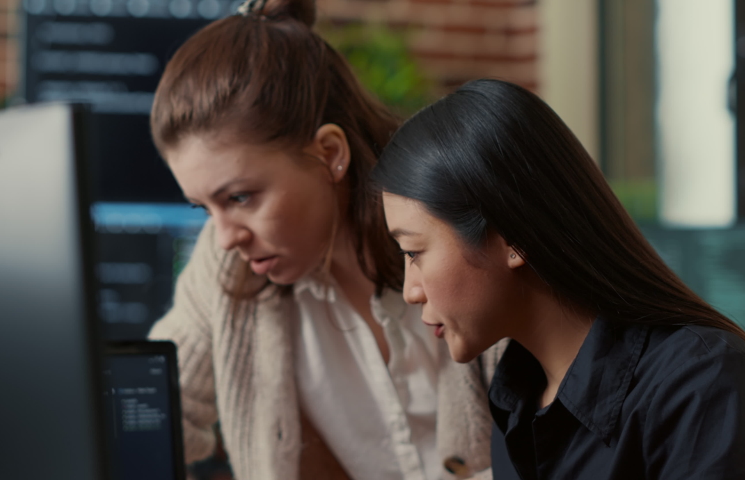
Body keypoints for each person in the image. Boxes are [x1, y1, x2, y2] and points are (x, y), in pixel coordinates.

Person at [146, 1, 506, 479]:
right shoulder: (227, 263)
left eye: (239, 196)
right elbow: (153, 413)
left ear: (330, 153)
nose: (226, 236)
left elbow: (563, 447)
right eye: (204, 208)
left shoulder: (463, 233)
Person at [373, 78, 745, 479]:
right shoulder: (516, 403)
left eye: (414, 253)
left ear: (510, 237)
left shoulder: (698, 386)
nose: (411, 291)